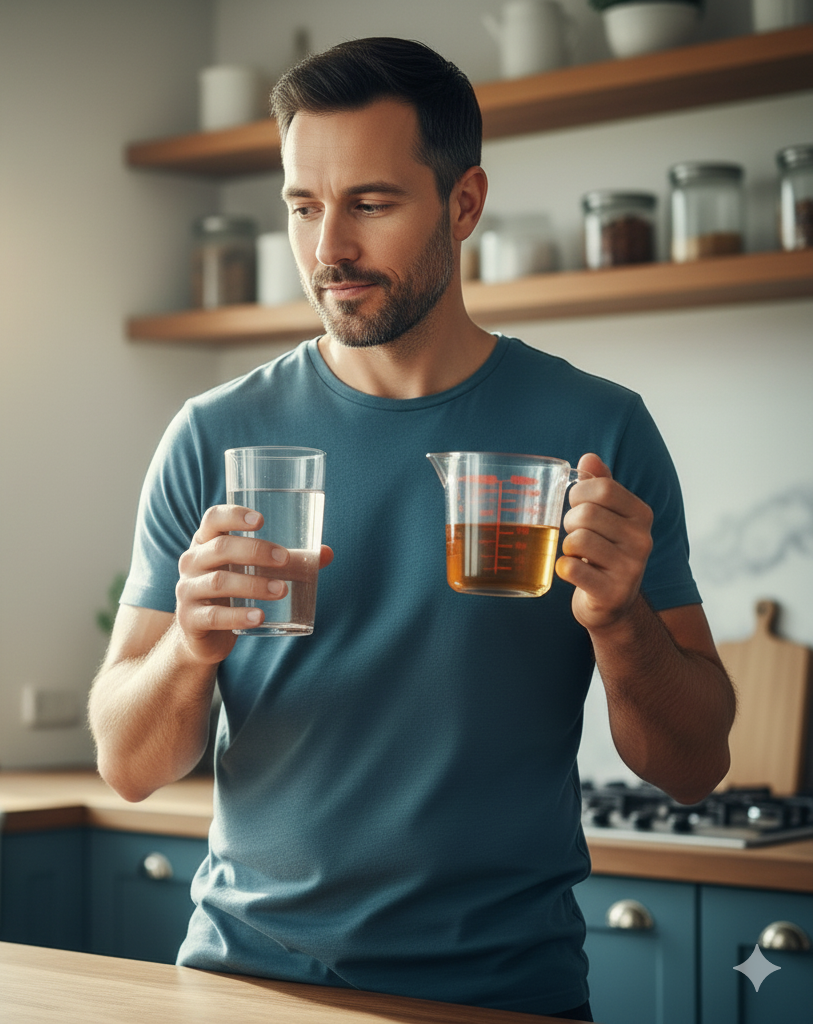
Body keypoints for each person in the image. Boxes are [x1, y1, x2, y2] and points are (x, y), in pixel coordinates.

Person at [89, 37, 735, 1021]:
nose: (327, 248)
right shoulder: (214, 436)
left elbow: (692, 763)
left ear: (464, 203)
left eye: (370, 203)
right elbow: (129, 765)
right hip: (241, 979)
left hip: (502, 991)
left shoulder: (598, 433)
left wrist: (617, 618)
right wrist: (187, 644)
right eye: (304, 205)